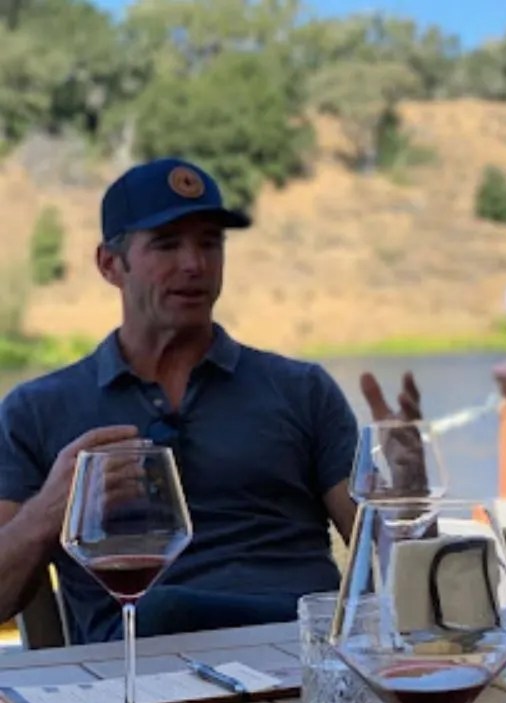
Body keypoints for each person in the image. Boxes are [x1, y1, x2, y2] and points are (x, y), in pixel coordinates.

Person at [0, 158, 420, 644]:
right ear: (110, 265)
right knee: (163, 610)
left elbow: (387, 568)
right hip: (141, 674)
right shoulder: (37, 410)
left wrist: (407, 504)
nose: (194, 264)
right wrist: (48, 513)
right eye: (167, 244)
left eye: (209, 243)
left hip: (300, 655)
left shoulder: (301, 390)